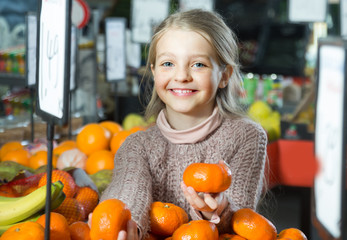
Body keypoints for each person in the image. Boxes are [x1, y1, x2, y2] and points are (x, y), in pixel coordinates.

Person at [98, 8, 268, 240]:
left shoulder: (246, 136)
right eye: (168, 63)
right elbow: (126, 191)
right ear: (154, 71)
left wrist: (217, 209)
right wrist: (126, 226)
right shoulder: (137, 145)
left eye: (198, 65)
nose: (181, 76)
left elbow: (244, 219)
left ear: (225, 75)